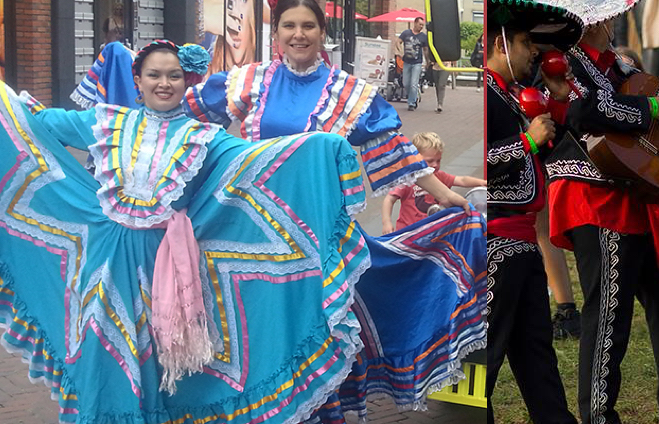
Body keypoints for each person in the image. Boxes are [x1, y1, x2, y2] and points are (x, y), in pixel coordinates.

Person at [74, 0, 482, 417]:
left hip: (320, 235)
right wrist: (125, 143)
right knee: (265, 340)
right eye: (289, 25)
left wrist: (448, 196)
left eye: (308, 25)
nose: (298, 34)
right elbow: (178, 115)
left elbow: (399, 155)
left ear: (323, 32)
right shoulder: (249, 79)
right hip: (256, 240)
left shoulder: (351, 93)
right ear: (277, 32)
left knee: (318, 335)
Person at [0, 40, 377, 422]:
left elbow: (255, 160)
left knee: (158, 363)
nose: (164, 83)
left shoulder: (204, 137)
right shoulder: (106, 121)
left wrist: (321, 148)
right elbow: (37, 125)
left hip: (164, 265)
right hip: (106, 259)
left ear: (186, 81)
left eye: (174, 76)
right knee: (100, 351)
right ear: (138, 81)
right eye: (154, 75)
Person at [515, 0, 659, 424]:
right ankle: (597, 414)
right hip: (593, 196)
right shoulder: (562, 65)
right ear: (592, 20)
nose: (608, 22)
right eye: (604, 16)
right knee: (609, 310)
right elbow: (588, 114)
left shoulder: (619, 65)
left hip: (632, 193)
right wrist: (655, 105)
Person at [485, 0, 584, 424]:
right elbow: (484, 161)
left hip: (523, 246)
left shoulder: (509, 94)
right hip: (493, 246)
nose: (533, 53)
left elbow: (545, 157)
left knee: (536, 353)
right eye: (525, 43)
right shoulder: (483, 94)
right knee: (481, 356)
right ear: (498, 43)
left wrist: (559, 107)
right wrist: (526, 140)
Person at [382, 132, 486, 233]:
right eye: (430, 161)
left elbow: (462, 180)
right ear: (415, 159)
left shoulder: (439, 176)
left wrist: (482, 182)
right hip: (409, 232)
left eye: (438, 160)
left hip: (434, 231)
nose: (435, 165)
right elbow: (389, 199)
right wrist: (386, 222)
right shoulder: (408, 179)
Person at [200, 0, 258, 77]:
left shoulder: (266, 79)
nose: (235, 14)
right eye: (229, 0)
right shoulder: (202, 80)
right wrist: (200, 15)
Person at [399, 17, 429, 111]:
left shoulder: (423, 37)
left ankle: (411, 103)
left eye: (422, 25)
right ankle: (414, 96)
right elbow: (398, 42)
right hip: (407, 61)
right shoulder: (406, 33)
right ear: (415, 23)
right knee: (406, 83)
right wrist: (400, 52)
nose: (421, 27)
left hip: (417, 62)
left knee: (413, 83)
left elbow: (425, 50)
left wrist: (427, 61)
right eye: (420, 24)